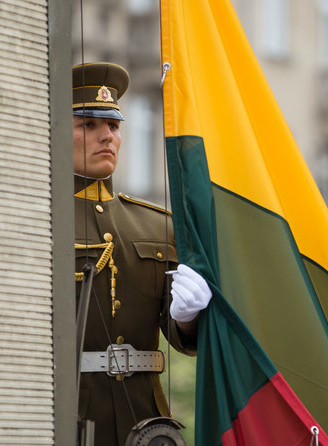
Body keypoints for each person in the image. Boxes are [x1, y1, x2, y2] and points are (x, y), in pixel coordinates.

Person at [72, 62, 211, 446]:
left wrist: (187, 319)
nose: (107, 137)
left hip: (147, 424)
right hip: (71, 419)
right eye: (88, 125)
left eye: (114, 126)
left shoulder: (158, 226)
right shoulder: (38, 221)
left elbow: (184, 337)